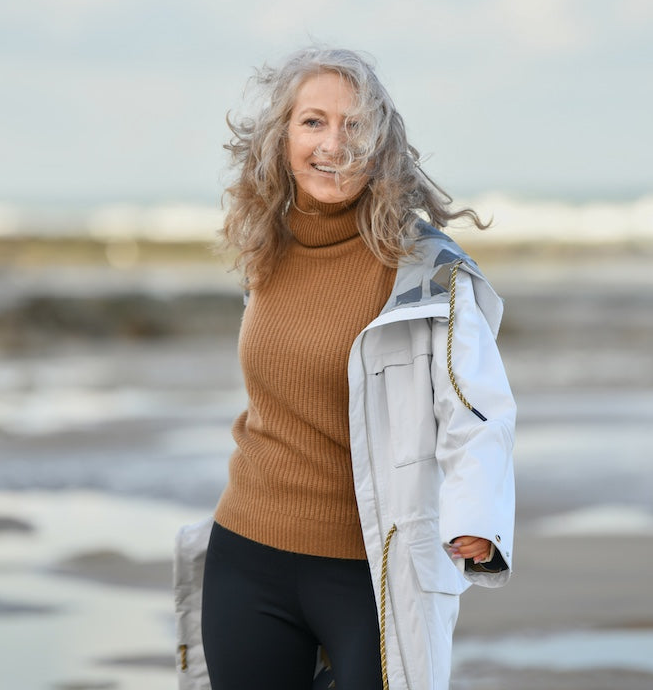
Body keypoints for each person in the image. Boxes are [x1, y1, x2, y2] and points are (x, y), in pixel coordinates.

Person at [174, 47, 515, 690]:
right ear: (281, 139)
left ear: (382, 145)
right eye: (314, 122)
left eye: (355, 125)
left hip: (370, 571)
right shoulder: (266, 245)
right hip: (247, 555)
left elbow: (477, 406)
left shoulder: (425, 269)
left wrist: (477, 518)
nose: (335, 142)